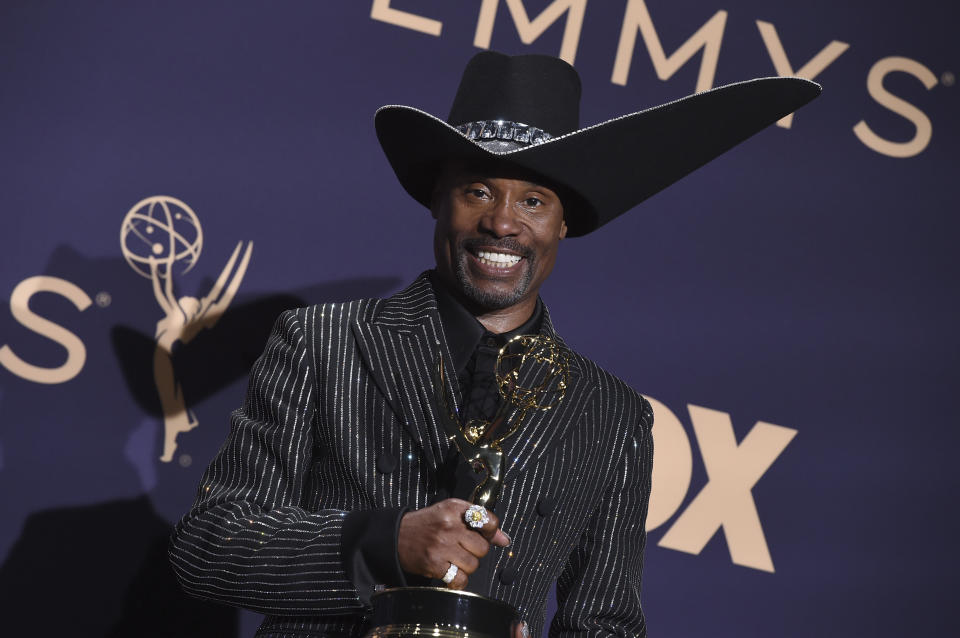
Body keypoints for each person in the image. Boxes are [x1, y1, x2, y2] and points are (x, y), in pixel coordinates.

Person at [169, 51, 819, 637]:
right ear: (437, 198)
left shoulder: (614, 415)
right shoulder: (321, 343)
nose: (502, 222)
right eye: (478, 190)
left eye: (533, 199)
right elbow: (207, 547)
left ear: (565, 222)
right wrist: (385, 543)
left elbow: (606, 623)